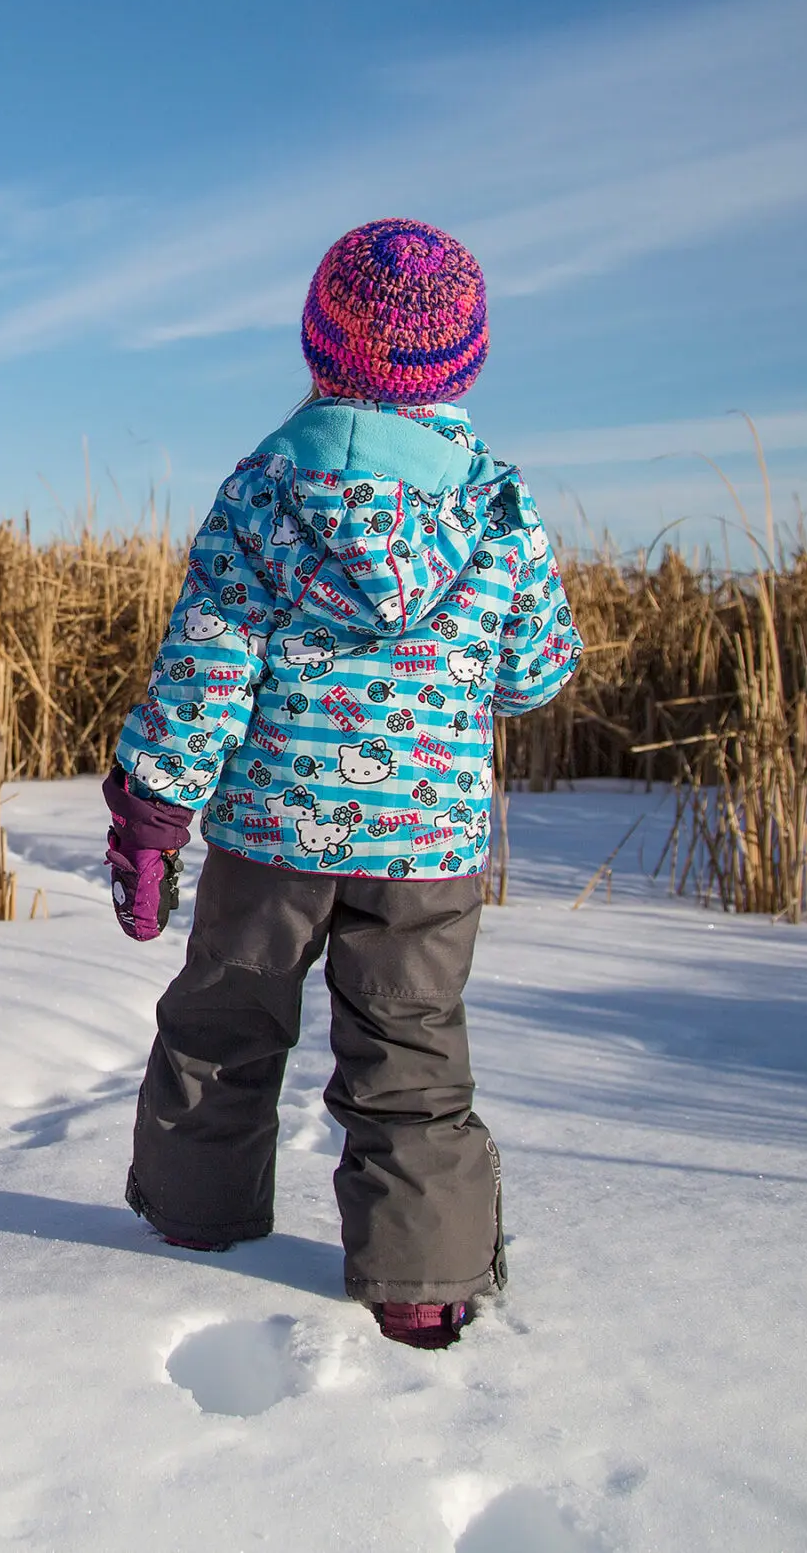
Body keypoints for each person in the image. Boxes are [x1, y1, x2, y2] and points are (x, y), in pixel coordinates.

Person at [102, 218, 579, 1351]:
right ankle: (419, 1281)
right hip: (425, 848)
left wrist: (154, 806)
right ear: (461, 362)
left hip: (273, 832)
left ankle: (192, 1214)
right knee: (409, 1053)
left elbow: (208, 663)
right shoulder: (500, 510)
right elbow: (532, 676)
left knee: (223, 1020)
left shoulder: (263, 493)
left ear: (318, 343)